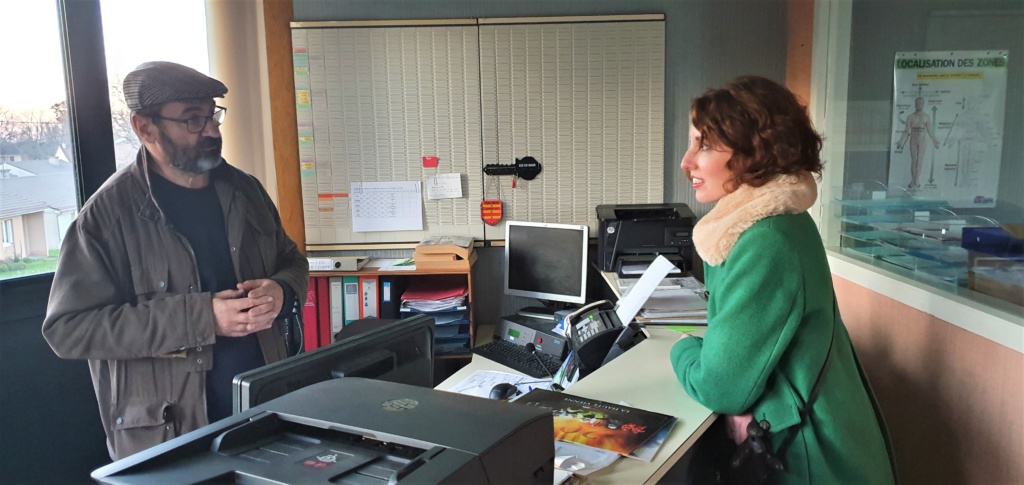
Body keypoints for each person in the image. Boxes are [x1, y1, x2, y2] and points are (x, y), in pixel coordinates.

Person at [42, 61, 308, 460]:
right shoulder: (106, 217)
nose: (212, 131)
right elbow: (68, 329)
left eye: (213, 116)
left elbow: (291, 260)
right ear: (145, 128)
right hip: (170, 433)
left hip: (264, 415)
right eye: (192, 120)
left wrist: (282, 290)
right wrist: (203, 318)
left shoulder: (246, 190)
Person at [670, 76, 895, 484]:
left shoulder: (763, 240)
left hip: (812, 459)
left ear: (754, 151)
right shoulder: (780, 223)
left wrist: (682, 351)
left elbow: (722, 387)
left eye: (703, 145)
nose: (687, 162)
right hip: (829, 441)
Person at [895, 96, 939, 190]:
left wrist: (935, 140)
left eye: (921, 103)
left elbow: (930, 130)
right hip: (913, 139)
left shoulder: (926, 116)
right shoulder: (910, 117)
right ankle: (913, 180)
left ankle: (917, 180)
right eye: (917, 103)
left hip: (922, 139)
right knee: (914, 160)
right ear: (915, 104)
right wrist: (901, 142)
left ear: (923, 104)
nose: (919, 105)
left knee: (920, 160)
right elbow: (906, 131)